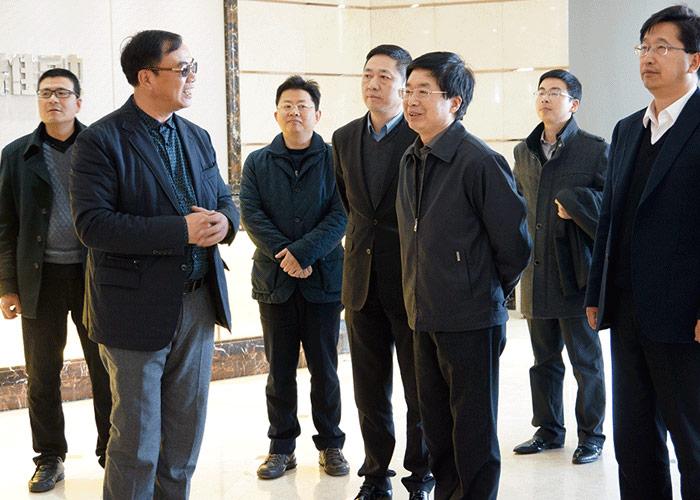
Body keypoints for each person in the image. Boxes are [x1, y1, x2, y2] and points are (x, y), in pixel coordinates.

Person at [70, 30, 238, 499]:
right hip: (133, 308)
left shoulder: (197, 137)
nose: (192, 77)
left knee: (184, 437)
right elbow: (94, 225)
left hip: (198, 303)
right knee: (137, 441)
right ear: (146, 77)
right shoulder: (101, 141)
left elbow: (225, 199)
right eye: (182, 69)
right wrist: (180, 231)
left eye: (193, 67)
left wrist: (226, 221)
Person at [395, 52, 530, 500]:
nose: (411, 101)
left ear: (454, 102)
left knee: (473, 432)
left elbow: (515, 244)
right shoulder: (411, 157)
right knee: (436, 428)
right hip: (423, 313)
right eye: (408, 90)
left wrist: (481, 290)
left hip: (471, 319)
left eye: (423, 91)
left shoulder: (479, 161)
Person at [585, 5, 700, 499]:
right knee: (633, 442)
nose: (648, 57)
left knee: (693, 442)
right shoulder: (628, 128)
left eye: (662, 47)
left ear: (694, 60)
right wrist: (597, 291)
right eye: (644, 47)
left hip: (686, 316)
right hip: (628, 310)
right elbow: (610, 218)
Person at [0, 68, 112, 493]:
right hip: (39, 279)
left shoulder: (100, 147)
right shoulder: (17, 154)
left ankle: (111, 450)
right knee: (42, 374)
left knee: (106, 368)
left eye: (63, 93)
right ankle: (49, 457)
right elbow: (5, 224)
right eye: (46, 93)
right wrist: (6, 285)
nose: (54, 100)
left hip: (94, 276)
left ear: (78, 102)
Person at [333, 44, 433, 500]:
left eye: (385, 77)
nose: (373, 84)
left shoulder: (420, 136)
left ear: (405, 86)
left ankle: (421, 474)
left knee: (419, 388)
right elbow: (349, 205)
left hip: (411, 281)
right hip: (360, 282)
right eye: (367, 75)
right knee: (369, 389)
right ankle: (375, 474)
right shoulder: (343, 138)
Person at [239, 76, 349, 481]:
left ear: (317, 114)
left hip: (323, 281)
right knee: (279, 372)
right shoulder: (257, 162)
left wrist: (303, 253)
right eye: (287, 105)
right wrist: (286, 255)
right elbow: (252, 215)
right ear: (276, 114)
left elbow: (341, 213)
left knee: (325, 369)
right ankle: (281, 448)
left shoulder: (336, 159)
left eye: (303, 106)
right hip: (275, 283)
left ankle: (331, 444)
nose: (295, 112)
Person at [512, 69, 607, 465]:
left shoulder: (594, 149)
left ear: (574, 104)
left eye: (555, 92)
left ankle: (592, 436)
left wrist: (576, 204)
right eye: (541, 91)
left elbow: (611, 207)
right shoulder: (523, 151)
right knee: (543, 362)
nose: (546, 98)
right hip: (536, 273)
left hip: (576, 275)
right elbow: (517, 206)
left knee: (586, 362)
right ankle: (549, 430)